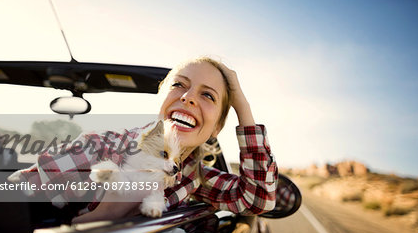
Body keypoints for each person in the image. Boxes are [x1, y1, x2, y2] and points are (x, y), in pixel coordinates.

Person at [17, 57, 278, 223]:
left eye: (208, 96)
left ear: (216, 129)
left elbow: (258, 199)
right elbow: (14, 193)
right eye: (179, 85)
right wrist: (103, 216)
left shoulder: (193, 177)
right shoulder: (104, 146)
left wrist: (241, 104)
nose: (188, 97)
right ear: (161, 100)